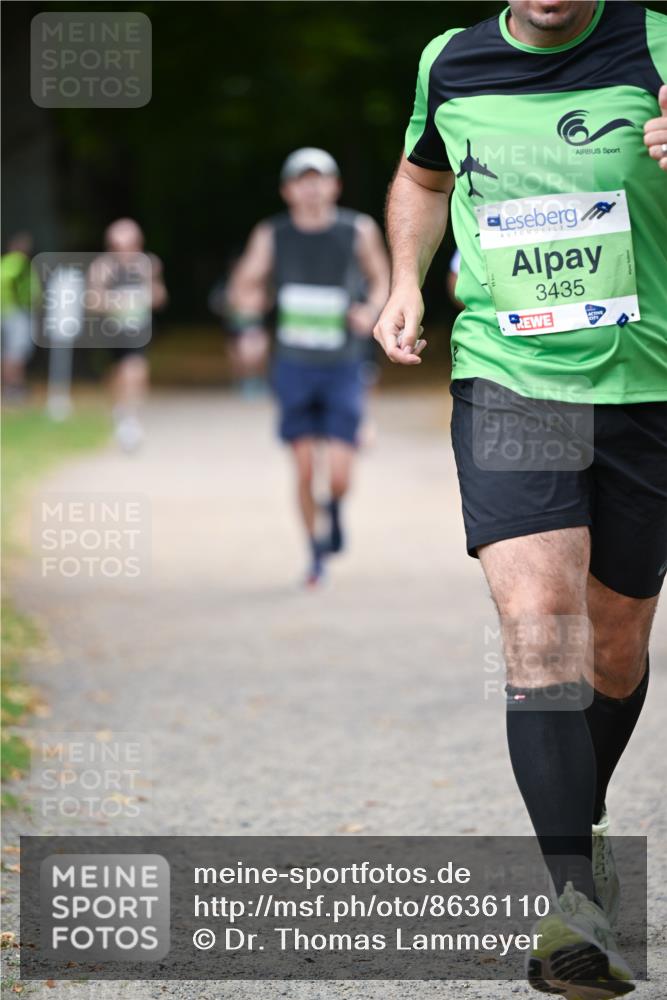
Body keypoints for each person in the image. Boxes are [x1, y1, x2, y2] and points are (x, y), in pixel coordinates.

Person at [373, 1, 666, 996]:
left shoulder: (662, 44)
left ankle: (574, 826)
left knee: (616, 644)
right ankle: (573, 906)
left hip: (647, 384)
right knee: (539, 623)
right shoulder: (450, 60)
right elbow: (420, 177)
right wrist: (405, 279)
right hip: (509, 374)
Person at [227, 148, 390, 585]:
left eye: (320, 178)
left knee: (338, 473)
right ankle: (314, 552)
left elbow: (381, 278)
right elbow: (243, 286)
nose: (312, 186)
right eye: (302, 179)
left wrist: (372, 309)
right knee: (302, 466)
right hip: (294, 364)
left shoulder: (357, 229)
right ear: (287, 190)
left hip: (343, 363)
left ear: (335, 185)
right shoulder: (271, 234)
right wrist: (251, 319)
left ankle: (334, 508)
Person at [87, 218, 167, 451]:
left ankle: (131, 419)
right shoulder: (102, 267)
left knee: (137, 369)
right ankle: (120, 412)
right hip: (110, 331)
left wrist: (149, 296)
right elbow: (92, 299)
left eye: (130, 245)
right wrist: (114, 302)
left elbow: (160, 295)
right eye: (118, 246)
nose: (125, 251)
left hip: (137, 330)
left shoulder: (149, 264)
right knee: (117, 375)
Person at [1, 232, 41, 401]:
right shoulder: (19, 262)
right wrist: (23, 300)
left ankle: (9, 388)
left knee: (7, 352)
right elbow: (12, 281)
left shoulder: (6, 262)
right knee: (15, 352)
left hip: (7, 311)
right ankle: (13, 388)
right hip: (16, 312)